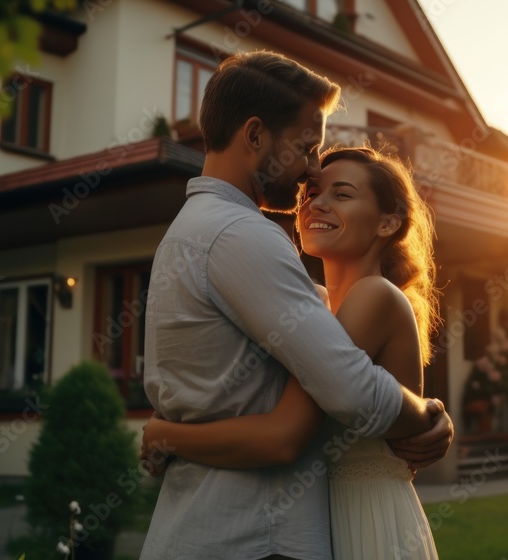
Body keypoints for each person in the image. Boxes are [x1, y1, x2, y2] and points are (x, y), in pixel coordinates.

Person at [139, 50, 452, 560]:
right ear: (256, 135)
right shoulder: (240, 235)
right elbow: (343, 392)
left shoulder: (190, 233)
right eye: (308, 148)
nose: (311, 174)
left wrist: (163, 432)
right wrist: (429, 415)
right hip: (254, 537)